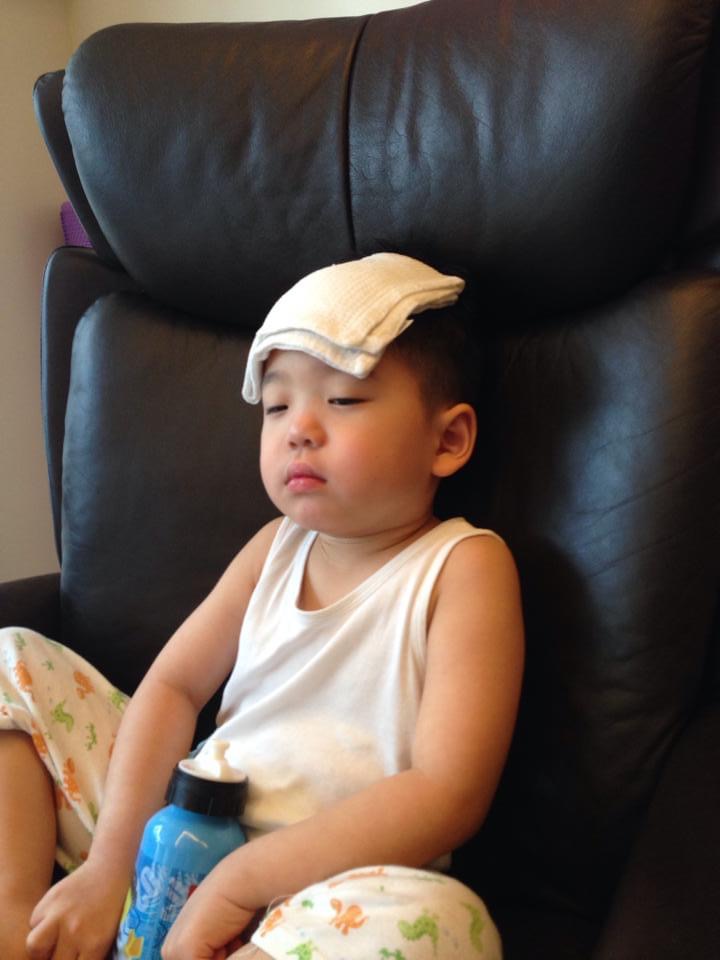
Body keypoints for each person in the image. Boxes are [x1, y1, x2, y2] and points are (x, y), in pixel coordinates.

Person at [0, 253, 524, 960]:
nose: (298, 428)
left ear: (448, 439)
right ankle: (25, 928)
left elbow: (447, 793)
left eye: (343, 400)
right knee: (12, 659)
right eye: (277, 406)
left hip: (321, 895)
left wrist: (242, 882)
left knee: (448, 923)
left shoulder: (463, 567)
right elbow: (174, 687)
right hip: (174, 836)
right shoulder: (275, 546)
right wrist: (111, 864)